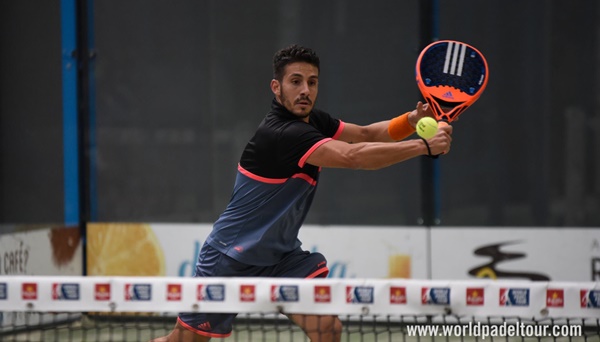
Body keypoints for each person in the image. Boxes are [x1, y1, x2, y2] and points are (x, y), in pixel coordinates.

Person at [152, 44, 452, 342]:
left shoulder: (313, 121)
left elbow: (365, 134)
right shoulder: (284, 134)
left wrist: (411, 120)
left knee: (327, 330)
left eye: (312, 82)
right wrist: (425, 146)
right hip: (230, 258)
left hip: (280, 258)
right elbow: (354, 156)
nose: (305, 90)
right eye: (295, 81)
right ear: (276, 87)